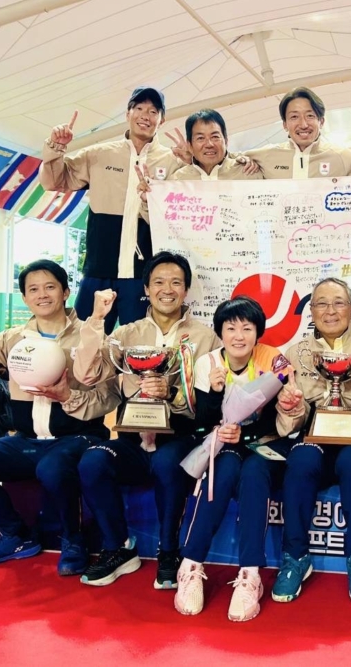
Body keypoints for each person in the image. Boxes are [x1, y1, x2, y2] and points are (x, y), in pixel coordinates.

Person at [0, 260, 121, 575]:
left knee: (53, 468)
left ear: (66, 292)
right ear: (24, 297)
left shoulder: (91, 335)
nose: (42, 294)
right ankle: (15, 535)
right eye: (33, 289)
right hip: (26, 440)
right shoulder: (13, 339)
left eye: (50, 287)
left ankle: (73, 540)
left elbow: (109, 395)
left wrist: (68, 397)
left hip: (79, 437)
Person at [74, 252, 221, 591]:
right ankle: (119, 547)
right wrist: (96, 320)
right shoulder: (125, 334)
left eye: (176, 283)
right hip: (132, 437)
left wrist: (172, 393)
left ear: (186, 290)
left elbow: (210, 404)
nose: (167, 289)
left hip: (180, 436)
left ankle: (169, 551)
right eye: (159, 282)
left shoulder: (205, 338)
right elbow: (87, 374)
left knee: (169, 463)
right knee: (93, 462)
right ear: (146, 289)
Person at [269, 277, 351, 607]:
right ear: (311, 311)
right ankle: (295, 556)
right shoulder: (296, 354)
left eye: (339, 303)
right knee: (301, 459)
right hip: (316, 436)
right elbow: (292, 421)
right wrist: (291, 407)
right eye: (322, 304)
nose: (330, 311)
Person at [174, 296, 296, 622]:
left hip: (265, 444)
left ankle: (250, 574)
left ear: (258, 332)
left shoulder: (274, 360)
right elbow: (200, 423)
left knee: (255, 473)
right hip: (223, 444)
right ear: (220, 332)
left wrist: (247, 434)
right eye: (231, 328)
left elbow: (281, 419)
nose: (239, 336)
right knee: (224, 468)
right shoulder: (208, 363)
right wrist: (215, 396)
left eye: (247, 328)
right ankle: (191, 565)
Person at [39, 87, 181, 333]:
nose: (145, 115)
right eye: (139, 108)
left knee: (140, 344)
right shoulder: (99, 154)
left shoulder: (172, 161)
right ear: (127, 114)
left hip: (144, 276)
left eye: (153, 111)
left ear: (162, 119)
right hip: (99, 269)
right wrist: (56, 148)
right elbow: (54, 181)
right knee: (83, 339)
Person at [231, 88, 351, 178]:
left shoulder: (341, 155)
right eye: (294, 117)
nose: (303, 124)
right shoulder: (268, 154)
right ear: (285, 124)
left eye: (310, 116)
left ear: (321, 121)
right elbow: (229, 159)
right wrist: (244, 160)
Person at [168, 109, 261, 181]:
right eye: (200, 138)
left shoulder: (248, 172)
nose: (209, 144)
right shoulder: (178, 180)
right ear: (190, 146)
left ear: (226, 141)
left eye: (215, 137)